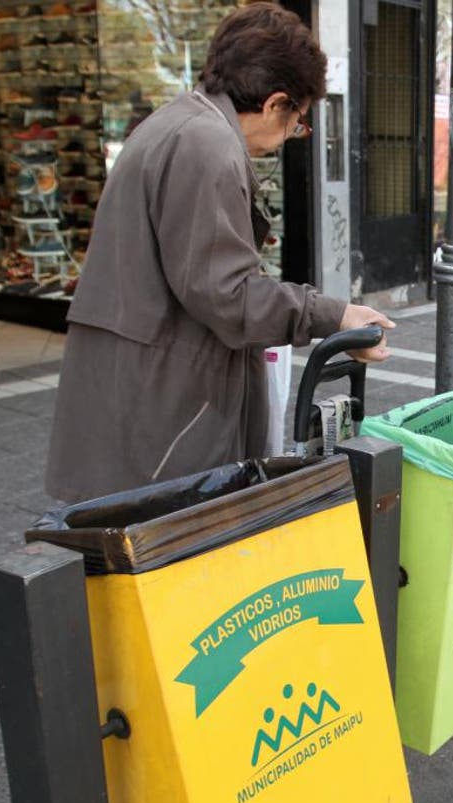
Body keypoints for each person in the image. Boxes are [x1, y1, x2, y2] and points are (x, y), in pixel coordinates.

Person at [45, 2, 394, 504]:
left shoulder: (178, 122)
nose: (290, 136)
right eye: (297, 122)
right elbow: (227, 295)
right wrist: (333, 316)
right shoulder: (207, 145)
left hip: (140, 389)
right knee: (167, 554)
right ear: (276, 103)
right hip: (163, 409)